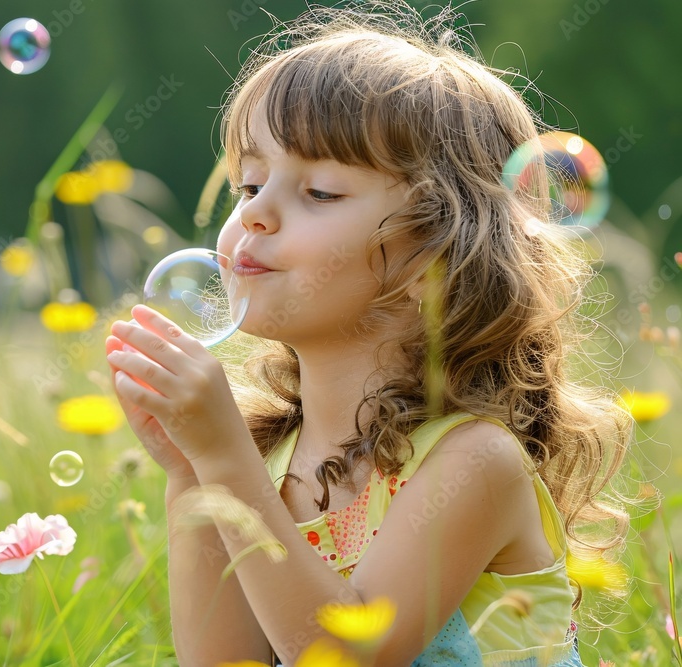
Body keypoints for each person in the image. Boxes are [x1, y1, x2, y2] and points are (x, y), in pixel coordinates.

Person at [105, 2, 632, 665]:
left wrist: (223, 464)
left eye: (320, 191)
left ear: (434, 257)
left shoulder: (473, 462)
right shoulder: (264, 462)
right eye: (248, 183)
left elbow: (350, 655)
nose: (257, 213)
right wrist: (190, 472)